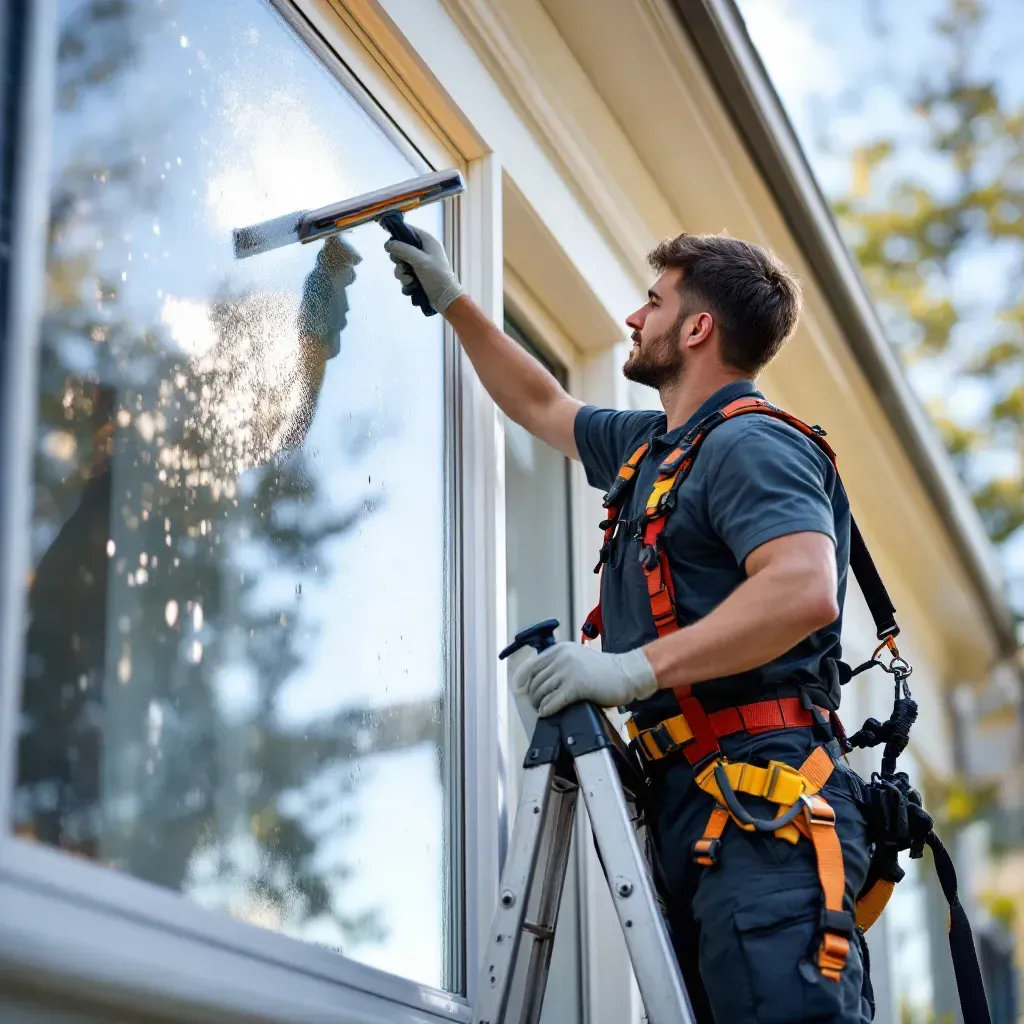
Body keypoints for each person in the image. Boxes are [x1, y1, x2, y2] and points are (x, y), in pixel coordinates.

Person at [385, 227, 874, 1023]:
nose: (629, 317)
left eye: (652, 302)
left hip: (763, 804)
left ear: (696, 329)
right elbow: (544, 405)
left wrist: (629, 670)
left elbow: (802, 590)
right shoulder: (656, 447)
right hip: (704, 805)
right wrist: (454, 301)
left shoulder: (751, 442)